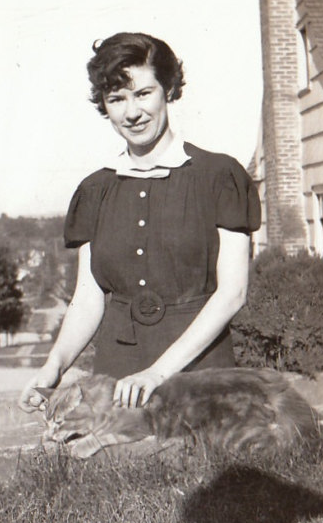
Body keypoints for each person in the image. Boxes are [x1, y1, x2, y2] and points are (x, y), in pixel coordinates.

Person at [19, 31, 260, 412]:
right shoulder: (95, 191)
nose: (132, 112)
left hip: (201, 377)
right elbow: (88, 297)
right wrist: (55, 365)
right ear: (105, 105)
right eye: (117, 99)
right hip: (116, 385)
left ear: (168, 90)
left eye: (143, 93)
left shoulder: (219, 176)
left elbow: (233, 294)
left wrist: (156, 374)